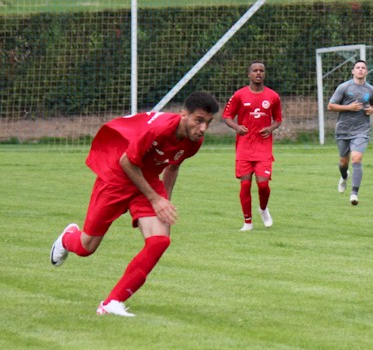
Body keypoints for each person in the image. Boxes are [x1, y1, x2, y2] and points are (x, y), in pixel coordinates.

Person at [49, 92, 220, 317]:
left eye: (208, 122)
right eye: (199, 120)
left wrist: (164, 201)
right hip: (117, 176)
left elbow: (173, 167)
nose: (203, 128)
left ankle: (112, 302)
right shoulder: (158, 130)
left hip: (147, 178)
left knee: (160, 241)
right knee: (86, 247)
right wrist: (155, 198)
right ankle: (67, 237)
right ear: (183, 115)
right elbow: (126, 162)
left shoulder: (194, 141)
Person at [223, 61, 283, 231]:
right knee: (245, 185)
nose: (258, 73)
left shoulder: (273, 96)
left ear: (264, 74)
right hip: (244, 147)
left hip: (263, 147)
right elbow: (227, 116)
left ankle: (263, 209)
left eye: (261, 71)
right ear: (249, 74)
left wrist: (270, 128)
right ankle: (247, 222)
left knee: (263, 185)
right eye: (255, 71)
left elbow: (278, 119)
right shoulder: (239, 95)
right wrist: (237, 127)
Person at [327, 59, 373, 206]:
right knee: (344, 162)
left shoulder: (371, 90)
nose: (360, 70)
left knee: (356, 159)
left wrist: (372, 110)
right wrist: (348, 108)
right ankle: (344, 176)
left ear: (366, 71)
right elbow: (330, 106)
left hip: (361, 130)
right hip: (343, 130)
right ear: (353, 71)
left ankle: (354, 194)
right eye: (358, 67)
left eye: (363, 68)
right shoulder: (344, 87)